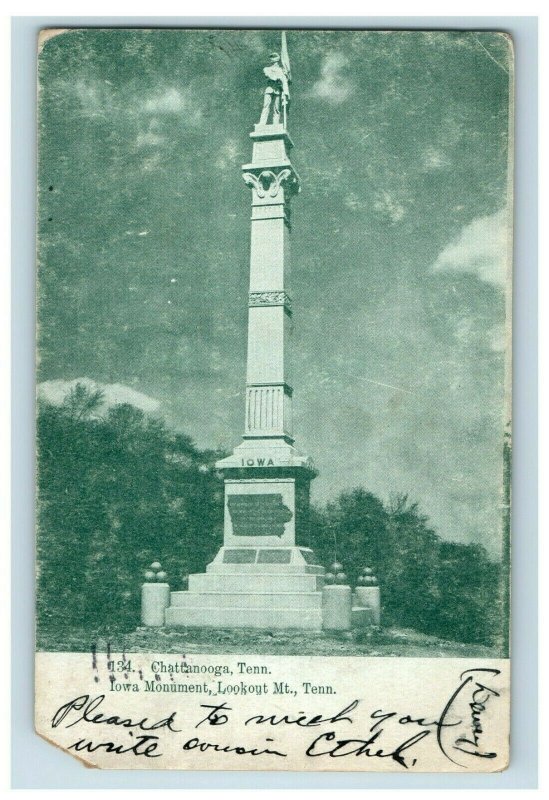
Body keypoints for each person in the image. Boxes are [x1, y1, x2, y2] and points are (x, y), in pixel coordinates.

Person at [259, 51, 290, 126]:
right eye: (272, 59)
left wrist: (286, 75)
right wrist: (278, 77)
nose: (273, 61)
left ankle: (276, 124)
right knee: (266, 106)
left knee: (277, 109)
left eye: (275, 60)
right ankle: (262, 123)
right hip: (269, 89)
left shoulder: (281, 70)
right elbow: (269, 76)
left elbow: (286, 81)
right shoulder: (267, 69)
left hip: (278, 90)